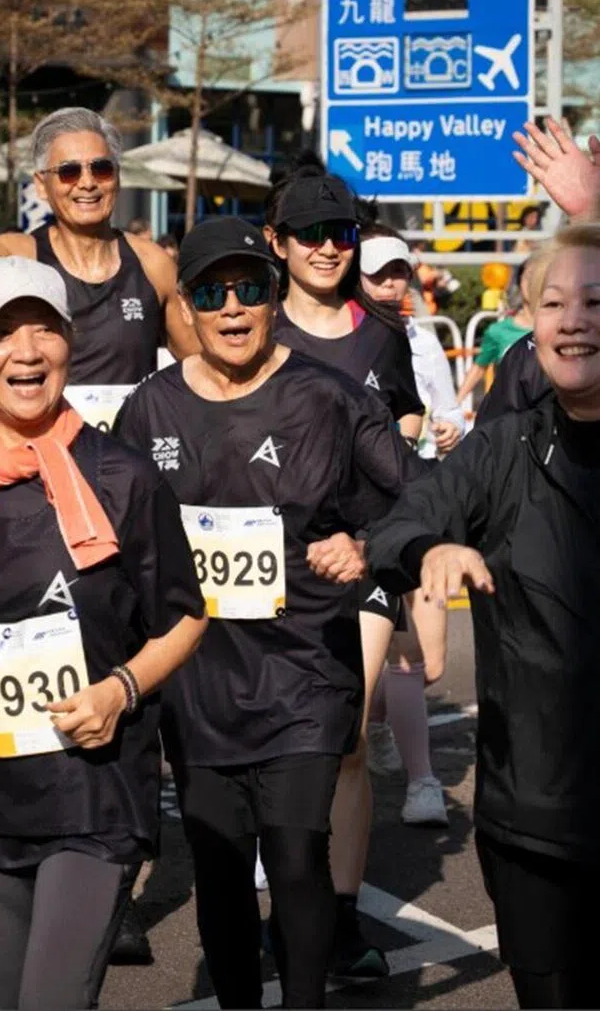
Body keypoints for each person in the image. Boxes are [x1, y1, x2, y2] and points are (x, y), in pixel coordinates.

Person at [0, 255, 207, 1010]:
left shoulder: (122, 478)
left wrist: (120, 690)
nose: (25, 352)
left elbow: (186, 616)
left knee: (53, 1000)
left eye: (44, 330)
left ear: (70, 342)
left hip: (92, 792)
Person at [114, 218, 418, 1007]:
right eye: (212, 292)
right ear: (186, 306)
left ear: (274, 296)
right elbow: (113, 539)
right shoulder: (149, 412)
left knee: (293, 856)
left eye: (250, 287)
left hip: (306, 670)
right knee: (219, 866)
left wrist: (366, 543)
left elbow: (419, 496)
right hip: (199, 678)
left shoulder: (330, 398)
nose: (233, 307)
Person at [365, 226, 600, 1010]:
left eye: (596, 303)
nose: (574, 321)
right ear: (529, 323)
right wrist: (431, 548)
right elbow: (403, 522)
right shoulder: (503, 448)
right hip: (530, 806)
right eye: (556, 303)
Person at [263, 165, 424, 980]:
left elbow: (404, 427)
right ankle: (290, 899)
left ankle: (340, 914)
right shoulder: (253, 327)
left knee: (350, 735)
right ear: (277, 243)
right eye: (312, 235)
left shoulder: (381, 331)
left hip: (360, 555)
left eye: (342, 235)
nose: (329, 248)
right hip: (268, 565)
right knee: (282, 741)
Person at [0, 107, 199, 432]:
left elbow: (202, 367)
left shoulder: (153, 263)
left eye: (102, 169)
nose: (88, 183)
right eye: (69, 172)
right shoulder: (18, 254)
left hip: (129, 465)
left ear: (117, 177)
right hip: (39, 460)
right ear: (41, 185)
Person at [357, 226, 456, 827]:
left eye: (400, 272)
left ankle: (398, 746)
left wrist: (448, 430)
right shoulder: (332, 338)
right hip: (348, 520)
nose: (392, 284)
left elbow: (446, 412)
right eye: (378, 274)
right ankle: (422, 777)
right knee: (382, 654)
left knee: (424, 658)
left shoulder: (422, 341)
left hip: (416, 513)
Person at [454, 259, 534, 408]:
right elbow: (479, 367)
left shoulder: (560, 328)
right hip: (510, 412)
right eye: (530, 277)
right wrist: (455, 405)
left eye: (541, 276)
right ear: (519, 283)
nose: (535, 283)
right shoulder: (498, 331)